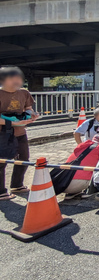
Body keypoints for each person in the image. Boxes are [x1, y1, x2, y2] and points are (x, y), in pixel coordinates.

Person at [0, 67, 39, 200]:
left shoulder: (24, 93)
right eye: (13, 79)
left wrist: (32, 115)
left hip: (20, 131)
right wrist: (12, 123)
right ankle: (0, 191)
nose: (17, 82)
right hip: (2, 133)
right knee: (1, 162)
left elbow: (28, 108)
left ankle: (17, 185)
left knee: (23, 159)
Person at [54, 133, 99, 200]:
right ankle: (89, 191)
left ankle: (73, 192)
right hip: (78, 182)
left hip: (63, 183)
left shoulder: (82, 146)